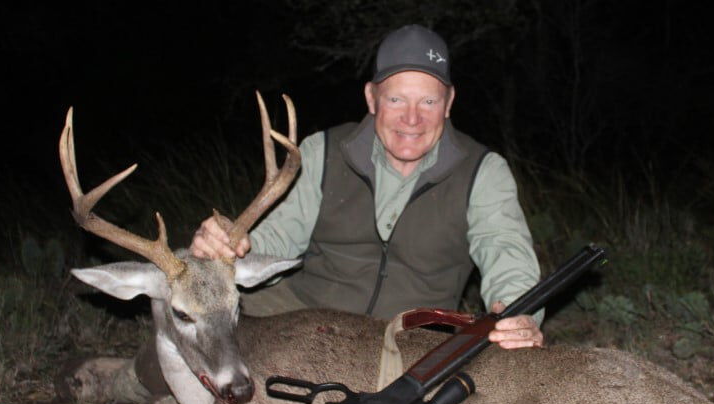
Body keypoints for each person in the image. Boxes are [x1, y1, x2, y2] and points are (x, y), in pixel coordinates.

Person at [190, 24, 544, 349]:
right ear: (372, 98)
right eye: (396, 99)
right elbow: (279, 238)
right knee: (195, 316)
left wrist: (515, 310)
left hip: (410, 338)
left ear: (449, 103)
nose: (412, 118)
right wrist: (232, 244)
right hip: (302, 310)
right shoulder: (322, 152)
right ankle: (139, 381)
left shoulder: (482, 171)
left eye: (428, 101)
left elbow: (506, 253)